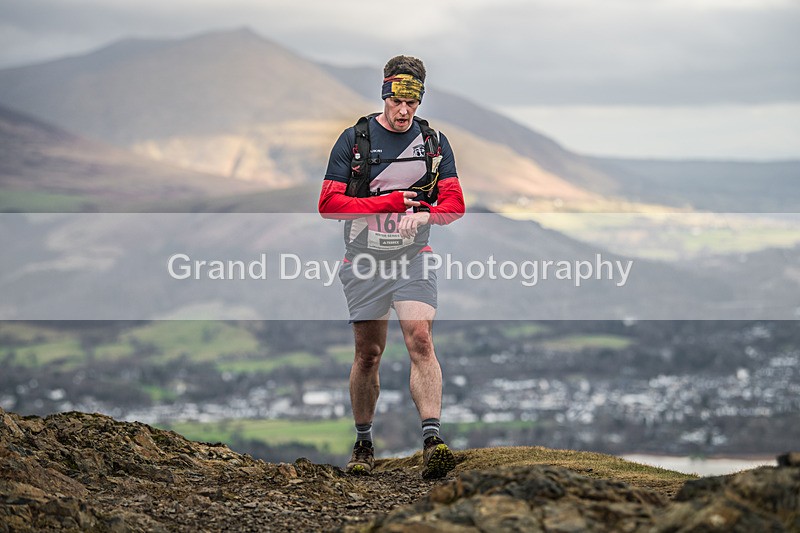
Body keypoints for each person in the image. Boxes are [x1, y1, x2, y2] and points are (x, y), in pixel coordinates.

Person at [318, 55, 465, 479]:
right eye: (397, 101)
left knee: (420, 338)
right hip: (363, 260)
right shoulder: (355, 139)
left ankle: (432, 441)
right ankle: (363, 442)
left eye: (412, 103)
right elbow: (328, 204)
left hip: (412, 258)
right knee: (369, 354)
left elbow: (455, 203)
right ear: (385, 94)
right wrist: (389, 202)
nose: (404, 111)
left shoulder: (434, 143)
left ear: (420, 100)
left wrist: (426, 216)